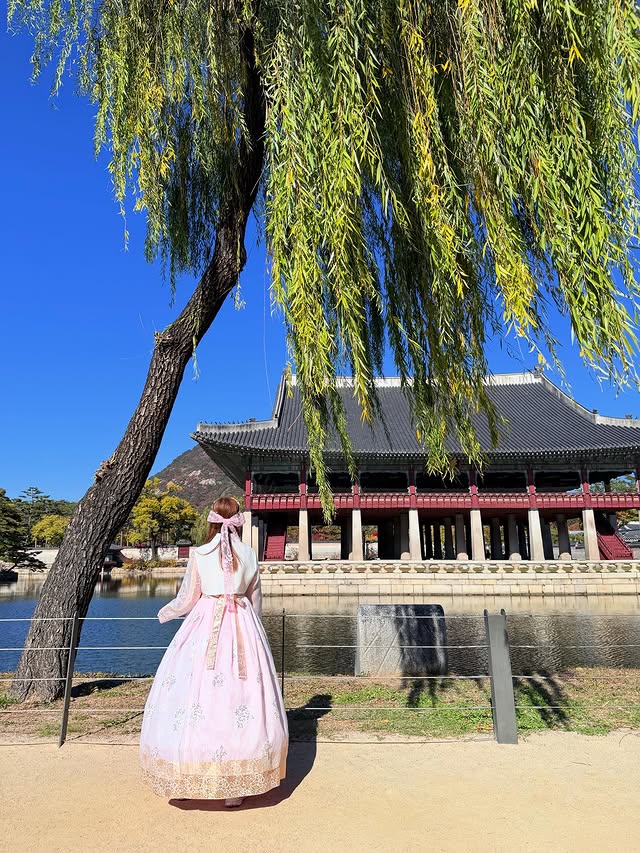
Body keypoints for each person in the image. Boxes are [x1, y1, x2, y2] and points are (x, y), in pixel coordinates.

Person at [139, 497, 288, 807]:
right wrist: (254, 632)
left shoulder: (199, 554)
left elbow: (188, 598)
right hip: (242, 626)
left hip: (205, 626)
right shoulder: (249, 555)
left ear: (211, 521)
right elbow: (256, 601)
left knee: (191, 697)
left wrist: (165, 613)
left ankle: (183, 776)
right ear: (238, 521)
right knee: (240, 699)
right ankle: (236, 785)